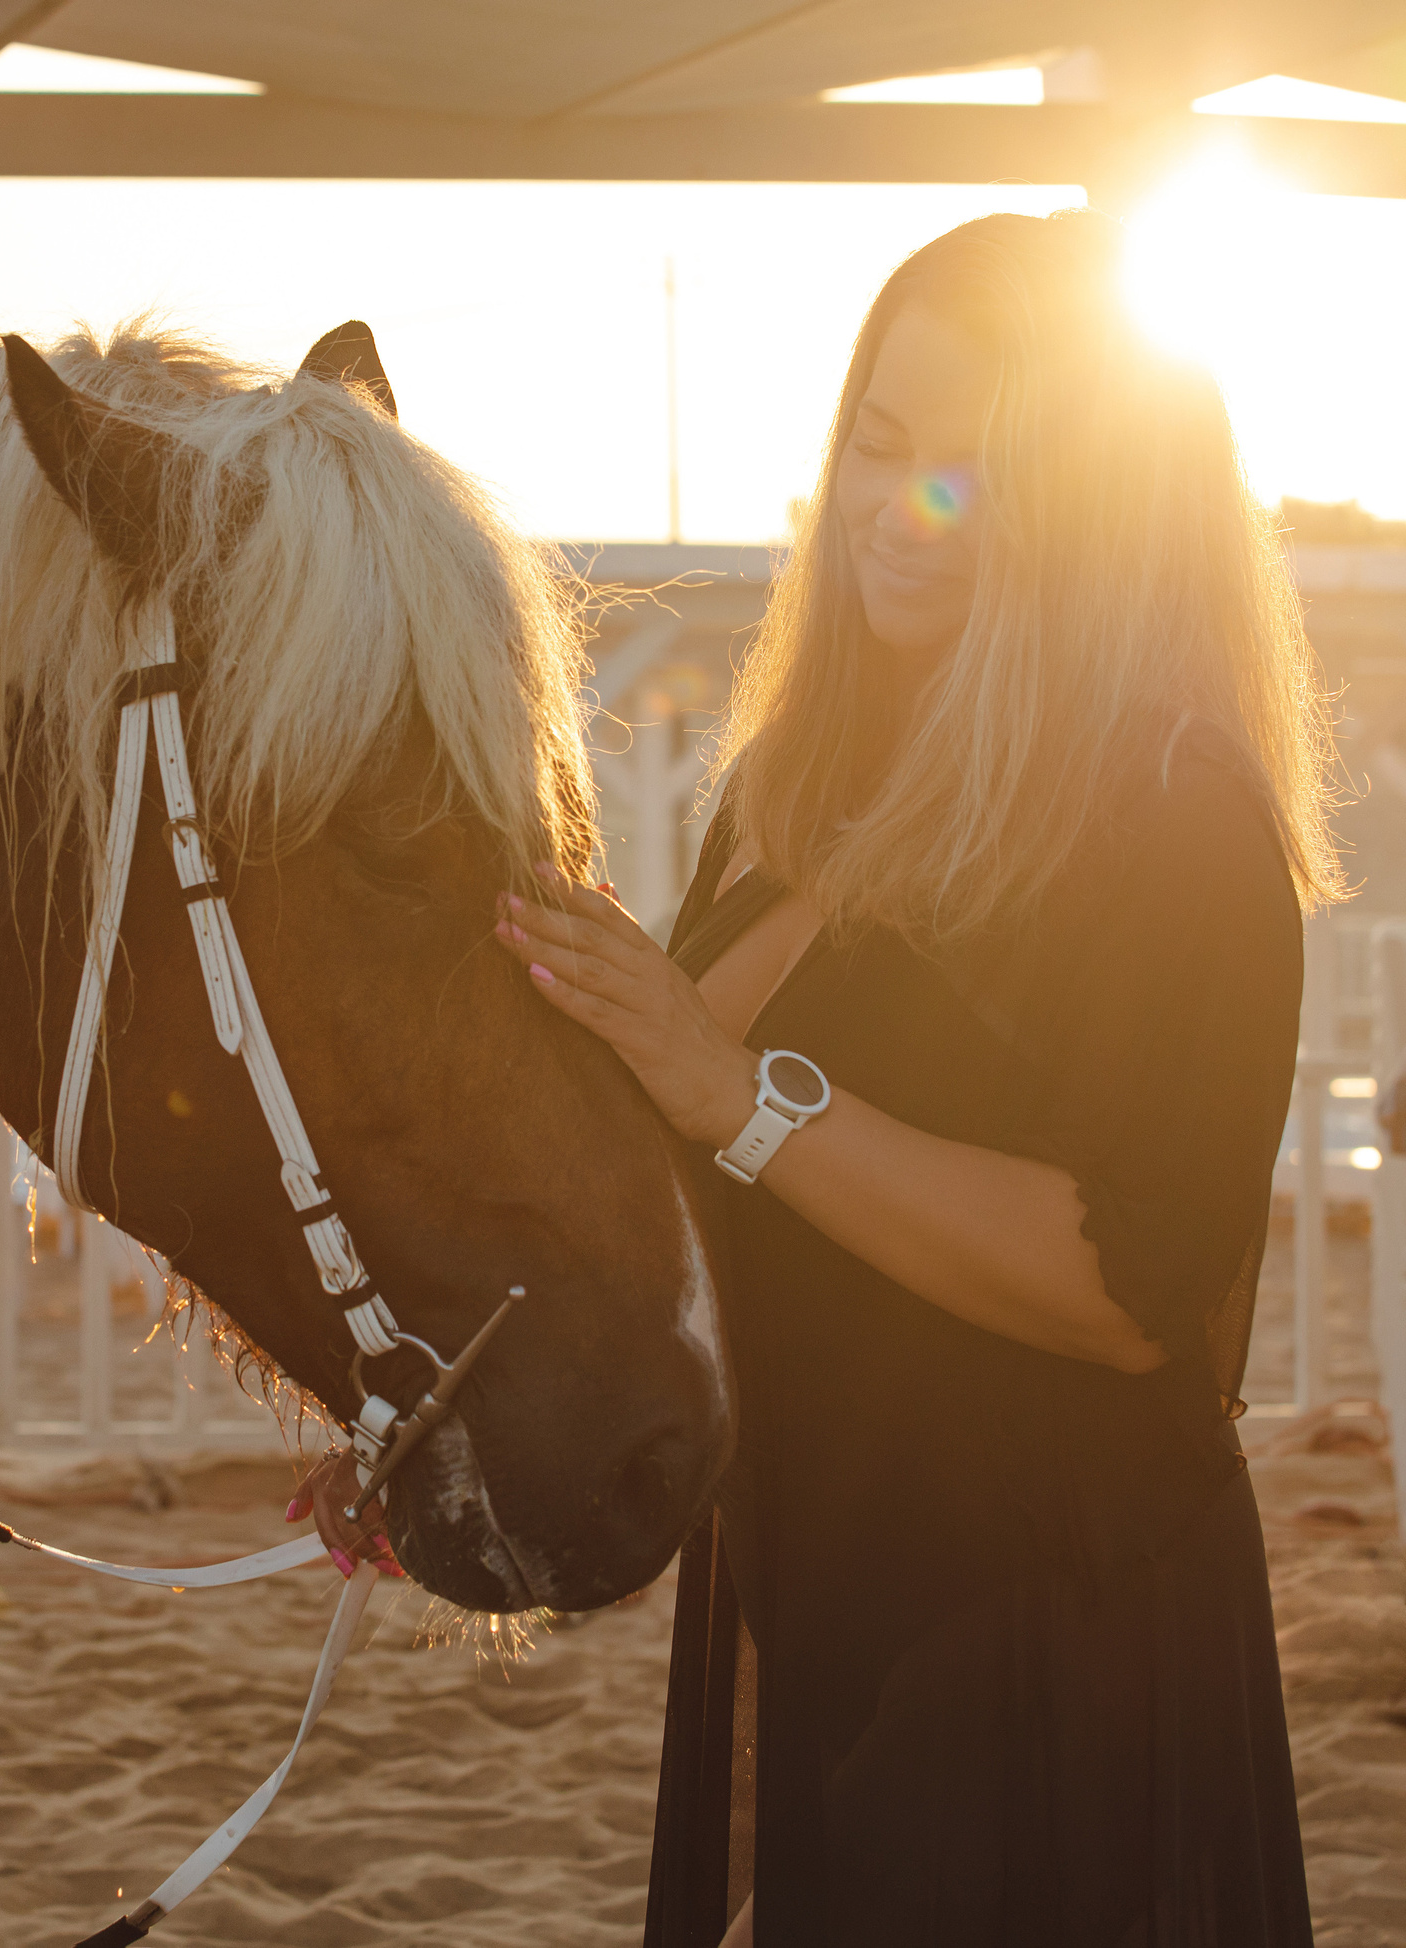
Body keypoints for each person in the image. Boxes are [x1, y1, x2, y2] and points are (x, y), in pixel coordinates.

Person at [494, 209, 1336, 1947]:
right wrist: (438, 1397)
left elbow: (1133, 1284)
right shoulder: (793, 792)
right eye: (878, 445)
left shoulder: (1176, 826)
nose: (899, 505)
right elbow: (679, 1169)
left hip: (1048, 1637)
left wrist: (742, 1093)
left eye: (975, 469)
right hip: (827, 1589)